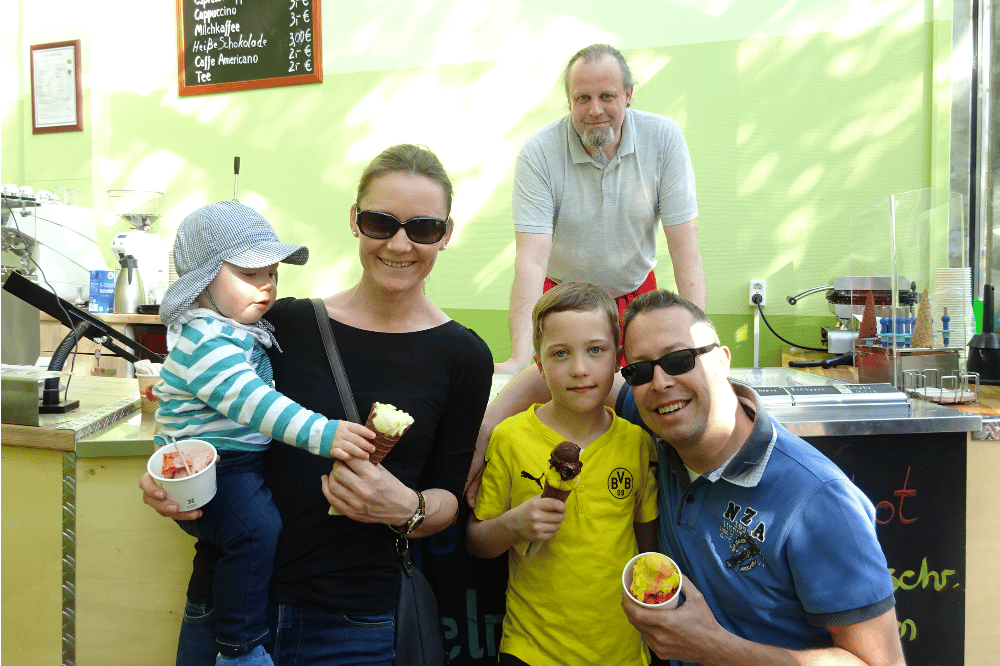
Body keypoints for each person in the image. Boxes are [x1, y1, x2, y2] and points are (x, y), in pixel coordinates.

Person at [141, 144, 494, 666]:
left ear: (445, 234)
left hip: (351, 623)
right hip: (224, 607)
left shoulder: (464, 355)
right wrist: (169, 478)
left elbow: (448, 497)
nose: (399, 243)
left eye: (422, 228)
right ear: (355, 221)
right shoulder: (279, 324)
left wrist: (405, 507)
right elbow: (204, 412)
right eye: (381, 221)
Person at [469, 291, 905, 666]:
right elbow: (560, 366)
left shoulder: (816, 499)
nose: (660, 382)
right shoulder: (645, 430)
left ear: (722, 359)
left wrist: (718, 648)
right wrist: (484, 435)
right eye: (639, 370)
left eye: (679, 359)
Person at [152, 201, 377, 666]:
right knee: (255, 531)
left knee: (238, 541)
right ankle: (240, 649)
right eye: (250, 274)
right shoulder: (208, 341)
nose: (268, 285)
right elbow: (254, 403)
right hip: (219, 467)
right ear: (202, 279)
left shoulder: (231, 330)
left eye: (272, 273)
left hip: (234, 464)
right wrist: (324, 433)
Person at [467, 282, 659, 666]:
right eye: (560, 354)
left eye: (595, 350)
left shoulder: (637, 443)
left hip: (621, 650)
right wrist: (514, 525)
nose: (579, 369)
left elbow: (647, 546)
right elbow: (477, 542)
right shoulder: (510, 438)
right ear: (538, 364)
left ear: (617, 359)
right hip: (531, 649)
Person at [495, 44, 705, 375]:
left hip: (636, 299)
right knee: (570, 398)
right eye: (583, 98)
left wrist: (698, 343)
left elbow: (684, 247)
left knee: (641, 400)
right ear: (569, 101)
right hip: (563, 302)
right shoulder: (538, 153)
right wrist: (520, 357)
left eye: (607, 96)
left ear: (628, 95)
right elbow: (531, 260)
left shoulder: (665, 139)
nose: (595, 110)